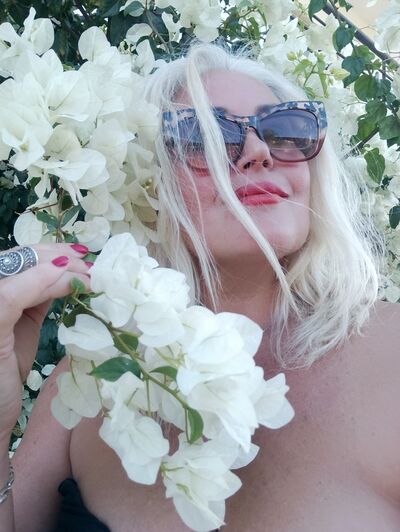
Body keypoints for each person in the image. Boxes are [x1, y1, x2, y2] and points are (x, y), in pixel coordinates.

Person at [0, 42, 399, 532]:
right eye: (204, 137)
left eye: (285, 130)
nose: (258, 152)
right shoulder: (89, 377)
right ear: (148, 186)